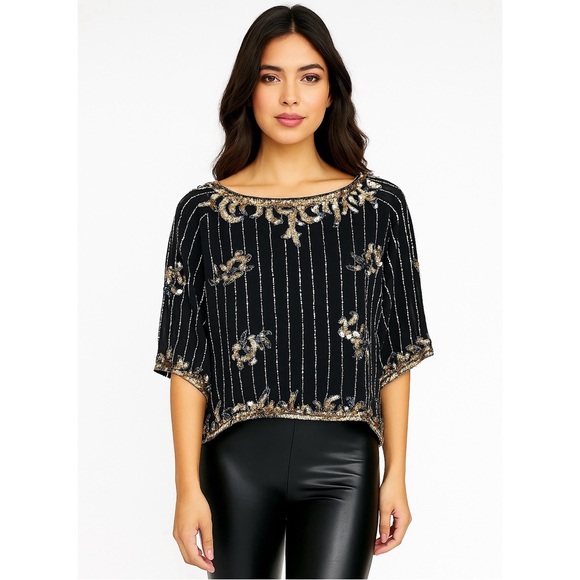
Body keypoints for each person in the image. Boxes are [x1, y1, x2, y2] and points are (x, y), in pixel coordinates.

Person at [153, 4, 434, 578]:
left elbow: (395, 350)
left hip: (345, 465)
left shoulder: (380, 207)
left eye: (308, 77)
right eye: (270, 77)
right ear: (247, 90)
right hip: (234, 462)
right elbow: (187, 362)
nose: (289, 97)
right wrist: (186, 489)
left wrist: (396, 475)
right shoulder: (202, 213)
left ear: (331, 93)